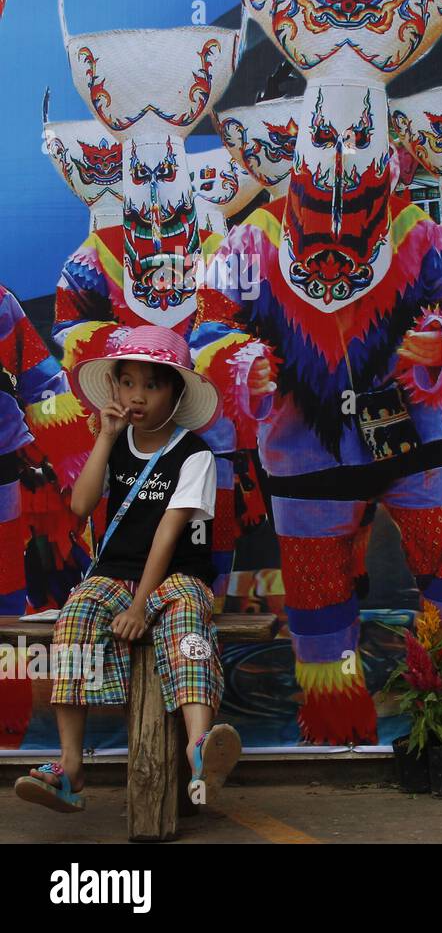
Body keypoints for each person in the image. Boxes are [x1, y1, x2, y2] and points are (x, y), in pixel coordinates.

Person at [12, 325, 240, 813]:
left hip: (177, 576)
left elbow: (168, 533)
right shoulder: (114, 442)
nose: (137, 396)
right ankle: (71, 768)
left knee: (185, 625)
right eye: (128, 382)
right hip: (113, 575)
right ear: (114, 388)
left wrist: (140, 607)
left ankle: (200, 750)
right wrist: (106, 437)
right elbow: (80, 503)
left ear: (176, 394)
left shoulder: (195, 454)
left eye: (152, 385)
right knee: (73, 619)